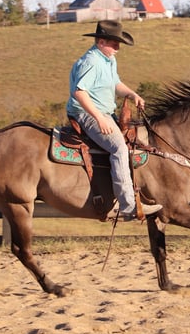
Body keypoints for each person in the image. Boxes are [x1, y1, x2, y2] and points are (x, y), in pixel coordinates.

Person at [66, 20, 162, 221]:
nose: (118, 48)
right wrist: (99, 118)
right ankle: (128, 206)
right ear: (101, 42)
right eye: (114, 43)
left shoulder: (108, 59)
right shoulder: (91, 62)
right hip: (87, 113)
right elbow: (79, 93)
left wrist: (133, 94)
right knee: (118, 148)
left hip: (103, 112)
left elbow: (115, 83)